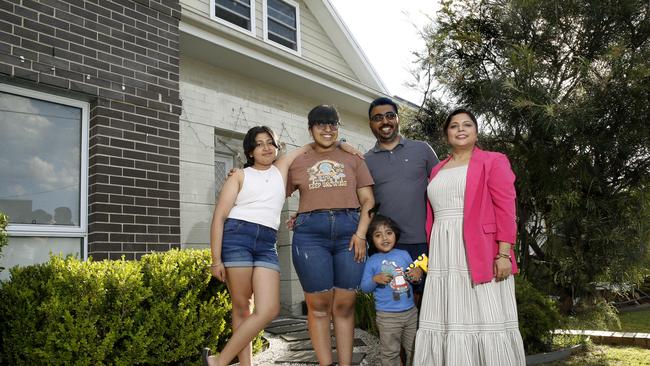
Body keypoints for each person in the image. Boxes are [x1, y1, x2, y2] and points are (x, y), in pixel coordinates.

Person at [203, 126, 360, 366]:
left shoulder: (282, 168)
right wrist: (216, 259)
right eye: (259, 144)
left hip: (267, 242)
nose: (266, 147)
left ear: (277, 148)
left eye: (270, 143)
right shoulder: (239, 175)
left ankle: (219, 361)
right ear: (250, 151)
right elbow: (219, 217)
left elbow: (313, 145)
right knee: (242, 308)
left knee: (268, 309)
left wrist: (343, 144)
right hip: (237, 236)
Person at [413, 108, 526, 365]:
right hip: (444, 252)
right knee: (449, 316)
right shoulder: (438, 169)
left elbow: (506, 210)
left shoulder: (493, 161)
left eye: (467, 124)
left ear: (476, 132)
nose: (460, 129)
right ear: (446, 134)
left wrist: (504, 253)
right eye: (454, 125)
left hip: (481, 251)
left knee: (485, 315)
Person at [288, 105, 375, 366]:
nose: (327, 129)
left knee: (345, 306)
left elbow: (368, 200)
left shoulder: (353, 158)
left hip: (350, 233)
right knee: (318, 307)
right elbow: (271, 187)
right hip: (310, 236)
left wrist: (361, 234)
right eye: (320, 124)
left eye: (333, 124)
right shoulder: (298, 161)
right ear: (310, 128)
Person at [363, 97, 438, 306]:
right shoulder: (365, 161)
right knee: (396, 302)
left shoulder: (422, 149)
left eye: (389, 116)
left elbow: (444, 186)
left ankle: (424, 341)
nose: (384, 121)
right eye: (377, 118)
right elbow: (359, 201)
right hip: (387, 245)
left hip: (423, 241)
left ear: (397, 119)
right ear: (370, 123)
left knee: (428, 302)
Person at [360, 212, 422, 366]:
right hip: (387, 317)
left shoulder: (404, 254)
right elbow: (364, 287)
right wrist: (375, 279)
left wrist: (417, 275)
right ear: (372, 239)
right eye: (378, 235)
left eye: (389, 233)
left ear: (395, 234)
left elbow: (414, 278)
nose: (385, 238)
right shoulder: (372, 261)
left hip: (410, 313)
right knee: (390, 353)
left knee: (415, 350)